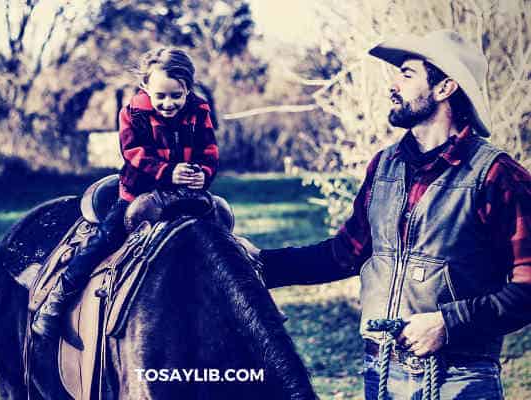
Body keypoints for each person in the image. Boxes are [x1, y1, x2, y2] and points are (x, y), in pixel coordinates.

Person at [239, 30, 531, 399]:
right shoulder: (384, 166)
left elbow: (527, 287)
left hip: (461, 377)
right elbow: (344, 254)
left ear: (445, 88)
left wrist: (448, 323)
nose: (393, 85)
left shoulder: (497, 175)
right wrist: (261, 265)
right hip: (381, 372)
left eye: (407, 74)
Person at [32, 47, 219, 339]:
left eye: (176, 96)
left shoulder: (200, 110)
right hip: (139, 191)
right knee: (106, 238)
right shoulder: (133, 114)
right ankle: (59, 296)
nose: (168, 103)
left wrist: (203, 173)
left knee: (221, 231)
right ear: (146, 87)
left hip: (185, 195)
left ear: (188, 90)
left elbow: (209, 149)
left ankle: (243, 296)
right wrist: (168, 171)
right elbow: (134, 153)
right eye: (161, 96)